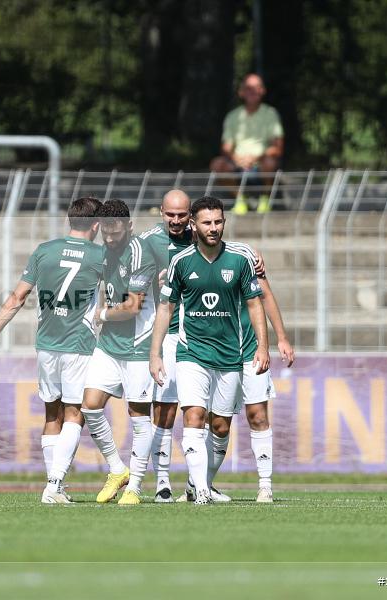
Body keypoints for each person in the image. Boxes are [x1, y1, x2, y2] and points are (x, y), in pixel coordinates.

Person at [0, 197, 103, 504]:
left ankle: (55, 486)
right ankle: (54, 483)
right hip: (79, 344)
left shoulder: (44, 251)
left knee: (52, 412)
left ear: (69, 222)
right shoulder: (102, 256)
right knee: (76, 413)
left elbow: (16, 298)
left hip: (47, 344)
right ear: (97, 226)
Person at [149, 196, 269, 505]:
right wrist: (156, 353)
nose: (213, 228)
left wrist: (264, 346)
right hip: (192, 353)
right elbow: (165, 309)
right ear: (194, 224)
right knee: (194, 415)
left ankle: (196, 483)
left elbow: (255, 305)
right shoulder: (182, 261)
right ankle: (202, 492)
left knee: (220, 425)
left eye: (218, 222)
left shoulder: (239, 260)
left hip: (230, 356)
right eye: (207, 222)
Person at [182, 240, 295, 504]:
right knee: (219, 425)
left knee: (257, 414)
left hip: (250, 349)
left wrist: (281, 337)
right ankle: (199, 485)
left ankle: (265, 486)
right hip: (216, 354)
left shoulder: (242, 255)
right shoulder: (183, 258)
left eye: (216, 221)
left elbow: (263, 295)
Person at [82, 199, 166, 505]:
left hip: (138, 346)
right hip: (109, 345)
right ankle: (118, 470)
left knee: (138, 417)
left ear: (129, 226)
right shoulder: (102, 249)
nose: (109, 236)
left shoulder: (140, 253)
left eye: (115, 229)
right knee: (90, 406)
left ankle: (136, 486)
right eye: (105, 229)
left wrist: (100, 315)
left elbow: (132, 307)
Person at [137, 190, 194, 503]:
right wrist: (149, 283)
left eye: (181, 215)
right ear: (161, 212)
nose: (176, 221)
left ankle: (200, 483)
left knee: (203, 411)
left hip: (199, 335)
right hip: (166, 334)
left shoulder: (201, 237)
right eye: (170, 214)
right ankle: (161, 482)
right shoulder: (146, 241)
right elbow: (123, 279)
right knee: (166, 408)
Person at [210, 73, 284, 214]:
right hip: (237, 164)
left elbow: (278, 148)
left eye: (256, 87)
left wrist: (257, 158)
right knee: (217, 164)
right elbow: (226, 148)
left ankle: (265, 199)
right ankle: (240, 200)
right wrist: (237, 159)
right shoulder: (233, 116)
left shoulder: (271, 114)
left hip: (261, 163)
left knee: (270, 162)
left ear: (262, 91)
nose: (252, 91)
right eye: (248, 87)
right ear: (241, 92)